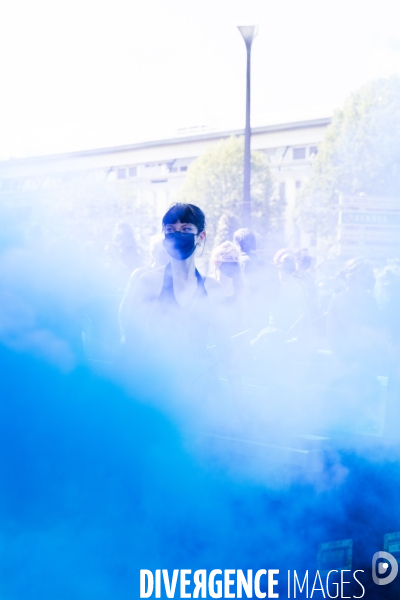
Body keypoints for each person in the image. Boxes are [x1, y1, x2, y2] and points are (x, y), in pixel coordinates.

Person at [121, 204, 236, 404]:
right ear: (164, 236)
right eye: (170, 230)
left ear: (201, 237)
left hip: (201, 389)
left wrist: (237, 396)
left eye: (186, 230)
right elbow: (132, 340)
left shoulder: (213, 289)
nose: (177, 234)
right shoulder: (148, 283)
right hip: (156, 387)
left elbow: (225, 349)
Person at [233, 228, 277, 331]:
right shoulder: (267, 266)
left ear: (237, 244)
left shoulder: (236, 263)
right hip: (262, 315)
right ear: (254, 244)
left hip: (242, 315)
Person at [210, 241, 246, 336]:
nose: (233, 262)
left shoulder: (241, 289)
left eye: (236, 258)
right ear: (217, 263)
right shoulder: (209, 289)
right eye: (229, 258)